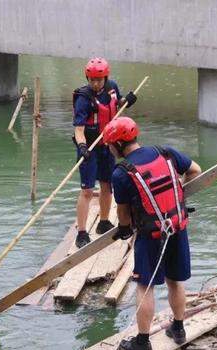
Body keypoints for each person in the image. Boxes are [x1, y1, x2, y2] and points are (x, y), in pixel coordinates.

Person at [103, 116, 202, 350]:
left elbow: (123, 213)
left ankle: (143, 342)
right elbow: (195, 171)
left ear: (117, 145)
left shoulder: (122, 172)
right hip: (177, 229)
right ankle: (178, 330)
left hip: (150, 236)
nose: (109, 150)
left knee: (144, 287)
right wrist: (178, 196)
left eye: (109, 145)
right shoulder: (166, 153)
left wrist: (125, 229)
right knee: (175, 280)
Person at [72, 57, 137, 248]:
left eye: (99, 79)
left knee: (107, 185)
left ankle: (103, 221)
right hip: (89, 148)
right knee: (87, 190)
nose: (95, 83)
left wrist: (128, 101)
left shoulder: (112, 87)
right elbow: (79, 129)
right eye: (91, 79)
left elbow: (118, 105)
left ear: (106, 77)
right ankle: (82, 232)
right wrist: (82, 146)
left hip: (108, 146)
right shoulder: (83, 98)